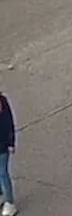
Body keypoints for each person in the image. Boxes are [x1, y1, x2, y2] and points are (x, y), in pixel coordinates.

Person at [0, 86, 14, 216]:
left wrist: (11, 142)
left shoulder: (2, 102)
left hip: (2, 146)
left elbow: (9, 123)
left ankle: (10, 202)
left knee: (3, 173)